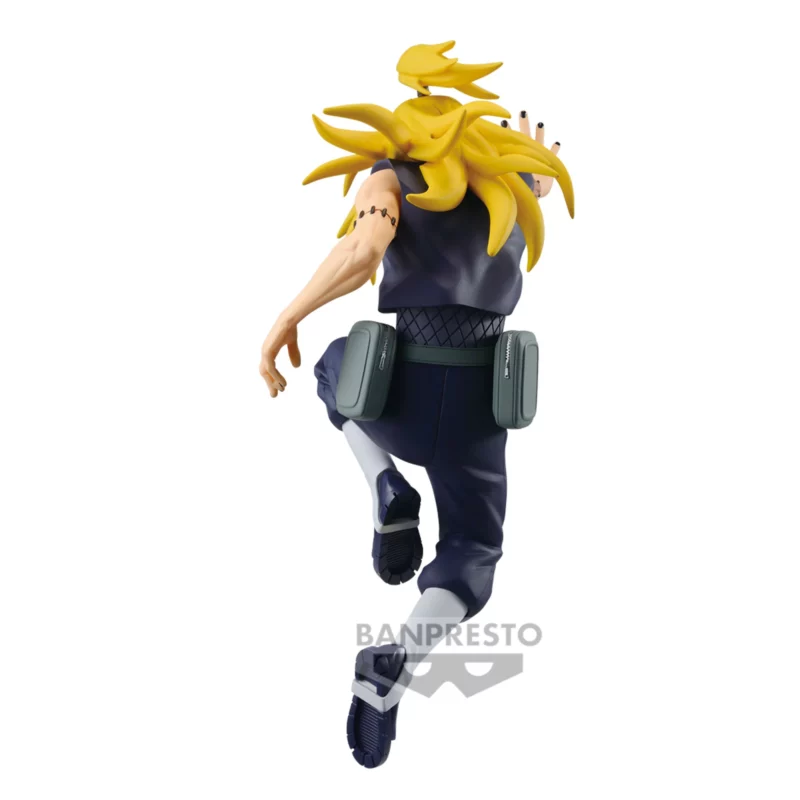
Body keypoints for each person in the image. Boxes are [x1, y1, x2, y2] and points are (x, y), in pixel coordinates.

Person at [259, 41, 574, 769]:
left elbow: (364, 251)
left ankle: (384, 484)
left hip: (397, 393)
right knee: (474, 551)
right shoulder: (514, 181)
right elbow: (529, 187)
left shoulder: (389, 176)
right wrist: (536, 172)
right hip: (477, 415)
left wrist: (286, 317)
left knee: (335, 365)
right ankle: (394, 663)